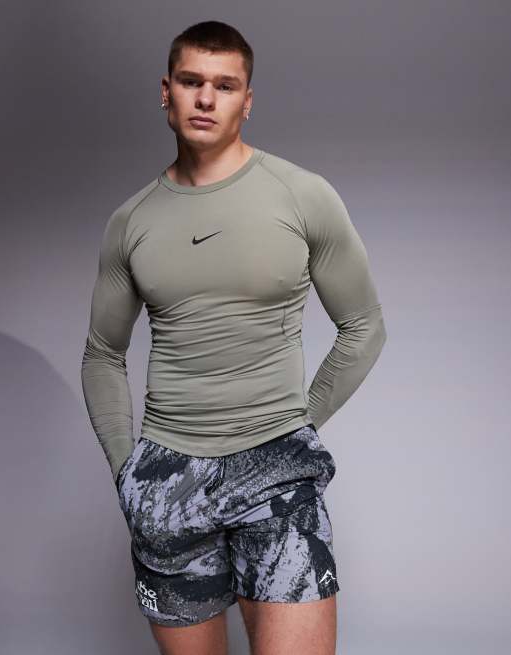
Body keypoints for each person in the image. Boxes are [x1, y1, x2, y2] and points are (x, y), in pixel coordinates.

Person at [80, 19, 387, 655]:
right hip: (166, 476)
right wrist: (127, 472)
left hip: (276, 468)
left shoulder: (302, 195)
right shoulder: (130, 221)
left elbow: (364, 327)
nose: (205, 98)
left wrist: (295, 426)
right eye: (191, 81)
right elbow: (102, 354)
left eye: (224, 86)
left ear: (246, 102)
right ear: (166, 92)